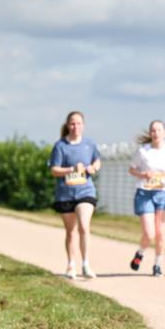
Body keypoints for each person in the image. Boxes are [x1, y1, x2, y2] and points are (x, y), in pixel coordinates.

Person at [49, 111, 102, 279]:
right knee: (70, 231)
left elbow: (97, 161)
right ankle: (71, 264)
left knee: (84, 227)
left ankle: (86, 264)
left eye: (79, 123)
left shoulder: (89, 144)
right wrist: (72, 169)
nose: (75, 126)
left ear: (83, 125)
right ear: (67, 125)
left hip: (85, 191)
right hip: (66, 193)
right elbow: (54, 170)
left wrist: (94, 167)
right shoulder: (60, 146)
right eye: (72, 123)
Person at [128, 120, 165, 277]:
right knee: (150, 233)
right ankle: (140, 253)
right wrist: (143, 174)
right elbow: (132, 169)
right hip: (144, 192)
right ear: (150, 133)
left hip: (162, 193)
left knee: (161, 232)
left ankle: (157, 264)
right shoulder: (143, 151)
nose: (156, 133)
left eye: (159, 130)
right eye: (153, 130)